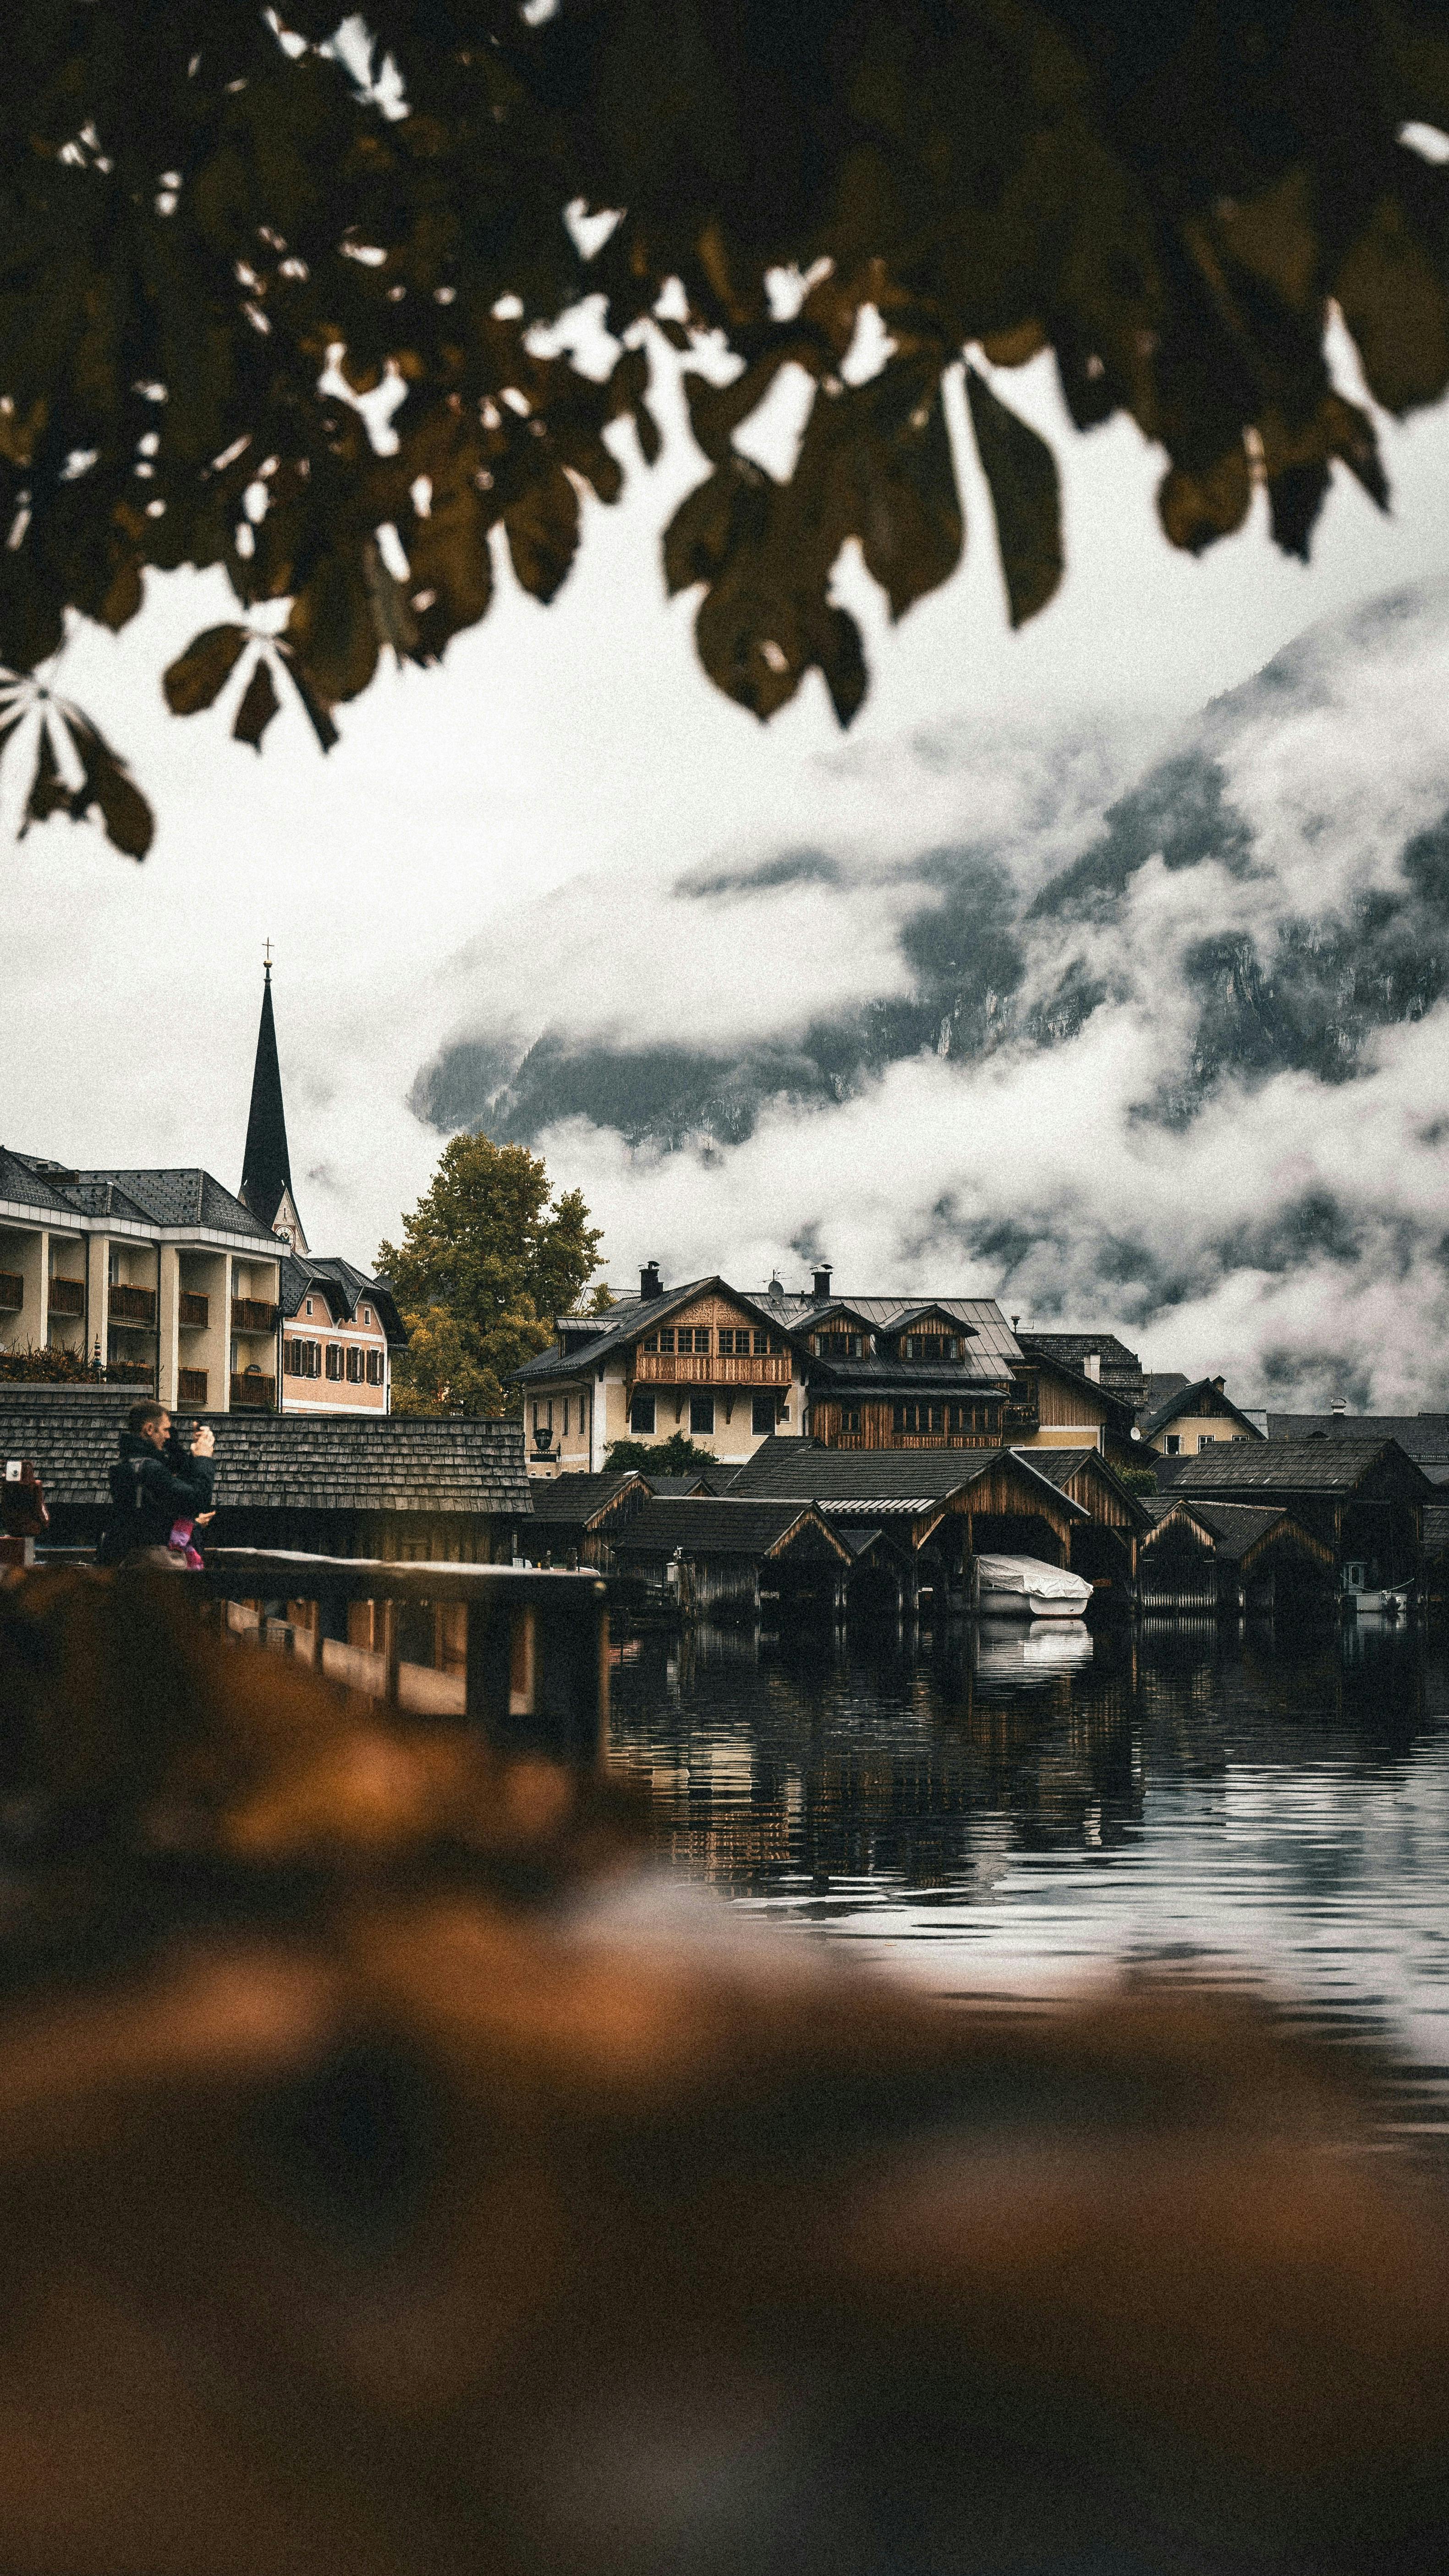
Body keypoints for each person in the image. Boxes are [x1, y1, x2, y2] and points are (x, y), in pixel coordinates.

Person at [99, 1401, 216, 1570]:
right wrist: (203, 1458)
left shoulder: (130, 1464)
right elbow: (197, 1500)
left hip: (131, 1560)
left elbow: (166, 1503)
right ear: (149, 1429)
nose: (168, 1436)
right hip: (153, 1566)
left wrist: (191, 1457)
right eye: (166, 1430)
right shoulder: (148, 1469)